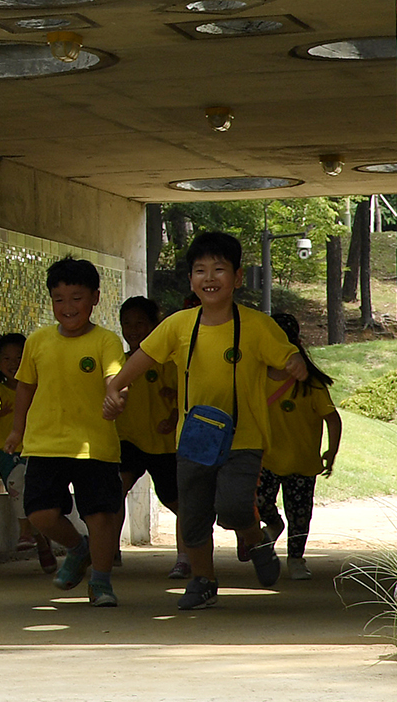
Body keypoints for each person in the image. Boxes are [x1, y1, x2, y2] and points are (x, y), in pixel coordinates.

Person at [104, 231, 306, 611]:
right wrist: (115, 387)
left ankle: (255, 537)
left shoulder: (258, 325)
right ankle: (202, 581)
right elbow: (143, 357)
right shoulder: (179, 325)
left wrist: (293, 364)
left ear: (238, 277)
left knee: (231, 507)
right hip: (194, 440)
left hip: (243, 438)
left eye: (219, 269)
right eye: (200, 270)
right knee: (193, 515)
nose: (209, 277)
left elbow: (283, 365)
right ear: (191, 279)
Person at [1, 257, 127, 607]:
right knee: (41, 513)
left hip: (94, 445)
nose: (68, 307)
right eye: (59, 299)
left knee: (100, 515)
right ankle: (77, 547)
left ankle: (100, 582)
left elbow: (114, 379)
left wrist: (116, 397)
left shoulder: (106, 341)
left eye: (76, 297)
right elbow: (25, 388)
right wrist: (17, 430)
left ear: (95, 298)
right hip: (44, 443)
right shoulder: (39, 341)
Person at [254, 312, 341, 582]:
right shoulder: (256, 377)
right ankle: (273, 525)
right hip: (266, 459)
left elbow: (332, 418)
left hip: (302, 463)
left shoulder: (310, 384)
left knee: (300, 515)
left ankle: (296, 558)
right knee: (259, 503)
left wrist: (331, 450)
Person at [112, 295, 186, 581]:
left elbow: (187, 395)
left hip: (164, 444)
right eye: (126, 324)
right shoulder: (121, 361)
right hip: (128, 438)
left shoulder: (169, 360)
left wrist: (173, 412)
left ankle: (185, 556)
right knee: (114, 493)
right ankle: (109, 550)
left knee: (178, 502)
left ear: (156, 325)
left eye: (140, 323)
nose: (132, 329)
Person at [0, 333, 52, 570]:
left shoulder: (39, 388)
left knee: (33, 496)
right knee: (17, 486)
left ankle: (38, 538)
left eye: (19, 357)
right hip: (7, 452)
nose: (13, 363)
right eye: (7, 358)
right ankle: (31, 535)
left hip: (37, 450)